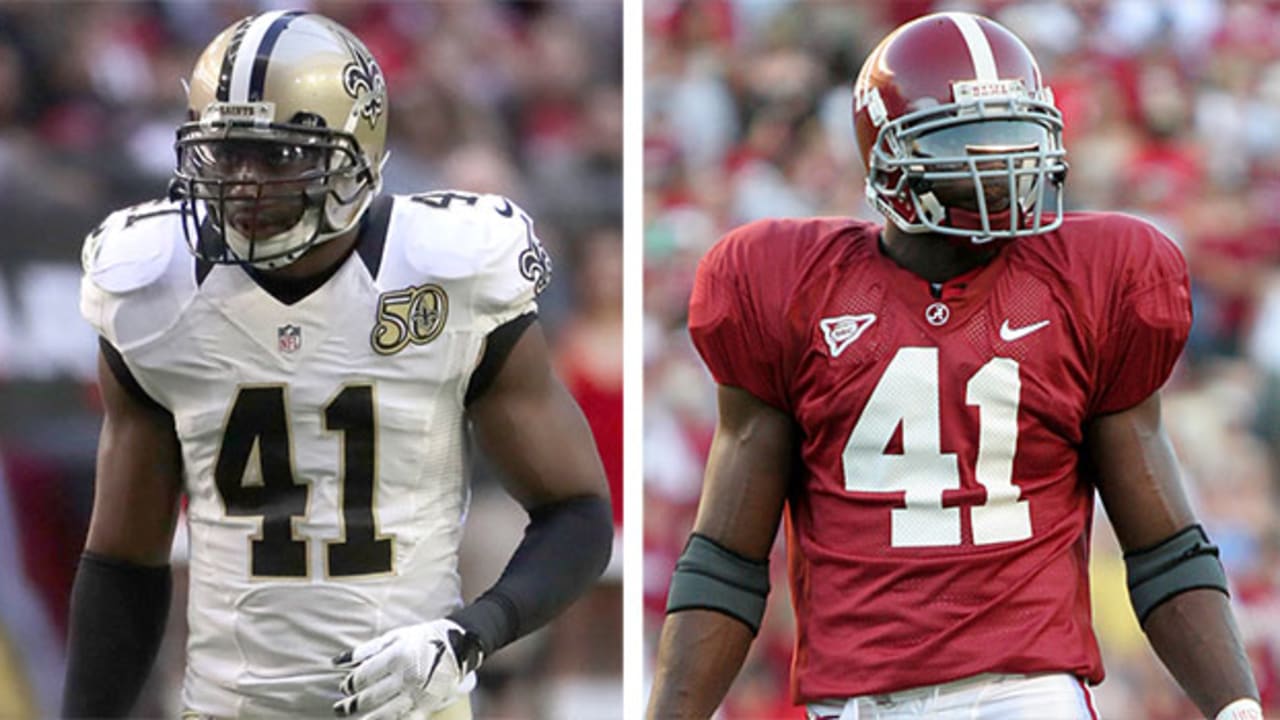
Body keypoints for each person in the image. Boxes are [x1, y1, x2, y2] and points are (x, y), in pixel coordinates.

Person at [648, 11, 1262, 720]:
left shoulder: (1094, 281)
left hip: (1028, 694)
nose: (1000, 163)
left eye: (1014, 135)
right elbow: (727, 555)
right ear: (886, 156)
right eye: (967, 141)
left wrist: (1236, 707)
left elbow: (1162, 544)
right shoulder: (788, 285)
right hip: (857, 703)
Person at [63, 10, 612, 719]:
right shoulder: (151, 284)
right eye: (226, 153)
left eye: (278, 156)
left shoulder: (446, 271)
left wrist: (470, 634)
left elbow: (578, 514)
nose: (246, 184)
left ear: (359, 152)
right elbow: (123, 563)